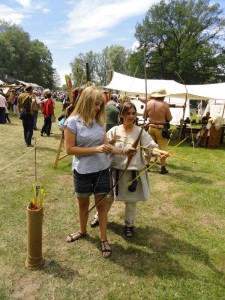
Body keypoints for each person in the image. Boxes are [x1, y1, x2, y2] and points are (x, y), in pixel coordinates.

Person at [64, 86, 136, 257]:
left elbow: (107, 146)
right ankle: (82, 231)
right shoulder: (72, 122)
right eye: (96, 104)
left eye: (100, 105)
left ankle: (104, 239)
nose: (98, 108)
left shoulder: (99, 122)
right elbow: (70, 149)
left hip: (102, 170)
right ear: (86, 102)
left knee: (102, 206)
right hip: (82, 171)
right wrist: (96, 149)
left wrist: (123, 150)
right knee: (83, 205)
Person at [90, 102, 169, 236]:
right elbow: (105, 146)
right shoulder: (114, 131)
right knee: (107, 198)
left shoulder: (140, 132)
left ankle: (129, 225)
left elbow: (150, 146)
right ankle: (99, 216)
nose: (131, 116)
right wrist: (111, 146)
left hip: (133, 173)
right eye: (128, 113)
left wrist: (157, 152)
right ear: (121, 115)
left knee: (131, 202)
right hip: (115, 171)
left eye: (133, 113)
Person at [143, 89, 172, 174]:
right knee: (162, 148)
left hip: (151, 127)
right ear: (162, 96)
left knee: (149, 147)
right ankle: (163, 168)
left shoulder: (148, 103)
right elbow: (169, 118)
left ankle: (147, 165)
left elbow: (144, 117)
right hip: (160, 128)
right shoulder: (165, 104)